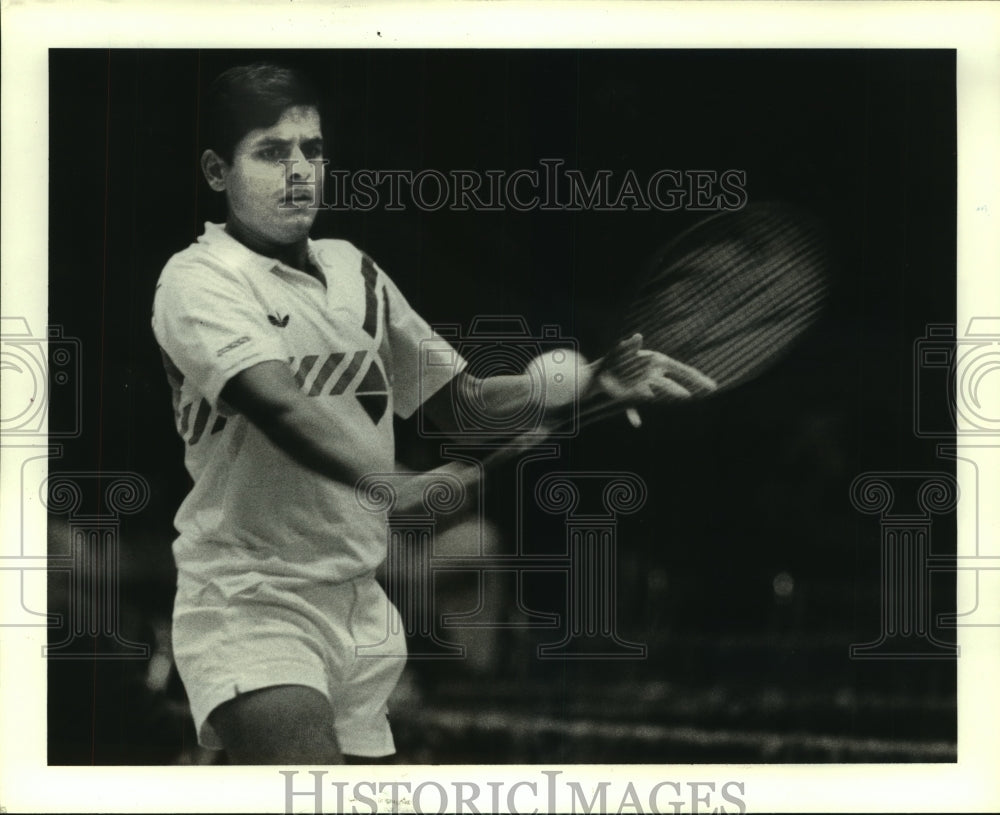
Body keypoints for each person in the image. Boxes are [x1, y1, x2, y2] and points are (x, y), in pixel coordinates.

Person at [152, 63, 713, 765]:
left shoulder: (356, 272)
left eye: (312, 149)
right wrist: (390, 480)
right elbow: (279, 404)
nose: (299, 171)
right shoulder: (198, 281)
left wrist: (592, 380)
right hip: (252, 600)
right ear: (216, 170)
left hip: (360, 609)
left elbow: (463, 401)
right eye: (271, 152)